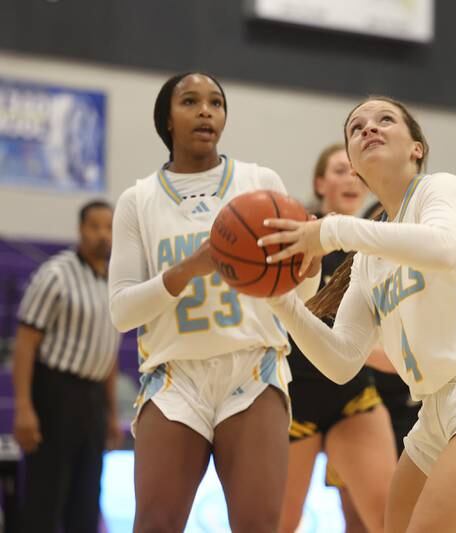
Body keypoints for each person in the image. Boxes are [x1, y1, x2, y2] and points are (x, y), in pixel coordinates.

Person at [257, 96, 456, 533]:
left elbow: (442, 247)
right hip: (434, 408)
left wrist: (331, 230)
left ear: (417, 147)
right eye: (356, 127)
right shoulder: (368, 259)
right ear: (355, 165)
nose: (369, 128)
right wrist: (281, 303)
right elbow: (342, 362)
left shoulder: (443, 190)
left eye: (385, 120)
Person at [108, 72, 320, 533]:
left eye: (216, 102)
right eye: (190, 101)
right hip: (174, 377)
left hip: (251, 368)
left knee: (259, 526)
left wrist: (311, 262)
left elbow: (302, 292)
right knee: (154, 525)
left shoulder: (259, 182)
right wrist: (189, 268)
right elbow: (122, 311)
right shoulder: (137, 200)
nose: (206, 110)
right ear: (167, 118)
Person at [280, 144, 397, 533]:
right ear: (319, 183)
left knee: (385, 522)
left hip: (352, 397)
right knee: (280, 524)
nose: (349, 177)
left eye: (354, 172)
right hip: (296, 397)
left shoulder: (377, 245)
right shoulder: (300, 238)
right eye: (338, 170)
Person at [12, 200, 122, 533]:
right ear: (80, 230)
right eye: (95, 226)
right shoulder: (55, 274)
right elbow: (25, 342)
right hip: (55, 394)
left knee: (87, 502)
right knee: (45, 498)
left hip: (93, 400)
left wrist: (112, 413)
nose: (103, 234)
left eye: (109, 227)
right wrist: (23, 408)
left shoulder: (115, 283)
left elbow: (109, 354)